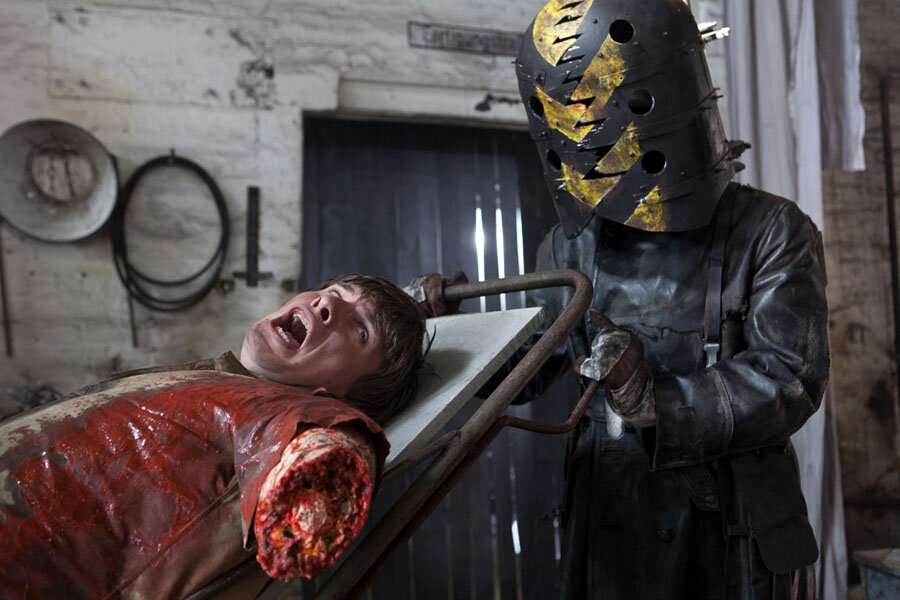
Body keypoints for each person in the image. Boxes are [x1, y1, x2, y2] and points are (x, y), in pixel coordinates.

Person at [422, 1, 829, 598]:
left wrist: (655, 400)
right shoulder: (570, 246)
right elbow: (531, 371)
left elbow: (791, 376)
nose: (595, 131)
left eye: (615, 103)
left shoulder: (771, 230)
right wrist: (446, 338)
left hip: (728, 529)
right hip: (609, 519)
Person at [0, 274, 426, 599]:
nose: (327, 302)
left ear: (346, 397)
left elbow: (332, 443)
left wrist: (329, 466)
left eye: (360, 330)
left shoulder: (296, 412)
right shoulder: (227, 383)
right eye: (335, 290)